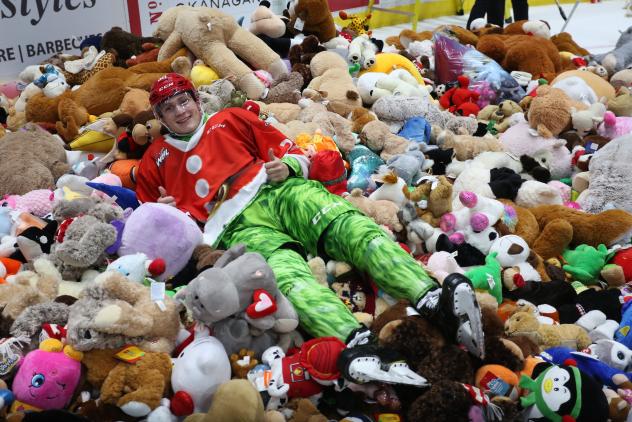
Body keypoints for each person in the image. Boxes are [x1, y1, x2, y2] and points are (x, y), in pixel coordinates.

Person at [136, 73, 485, 380]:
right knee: (282, 278)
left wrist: (288, 167)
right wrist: (169, 215)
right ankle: (356, 343)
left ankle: (431, 296)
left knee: (349, 227)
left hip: (279, 192)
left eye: (184, 101)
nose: (181, 112)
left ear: (196, 100)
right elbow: (148, 226)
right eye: (170, 108)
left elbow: (290, 150)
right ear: (160, 117)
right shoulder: (154, 161)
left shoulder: (232, 119)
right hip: (235, 228)